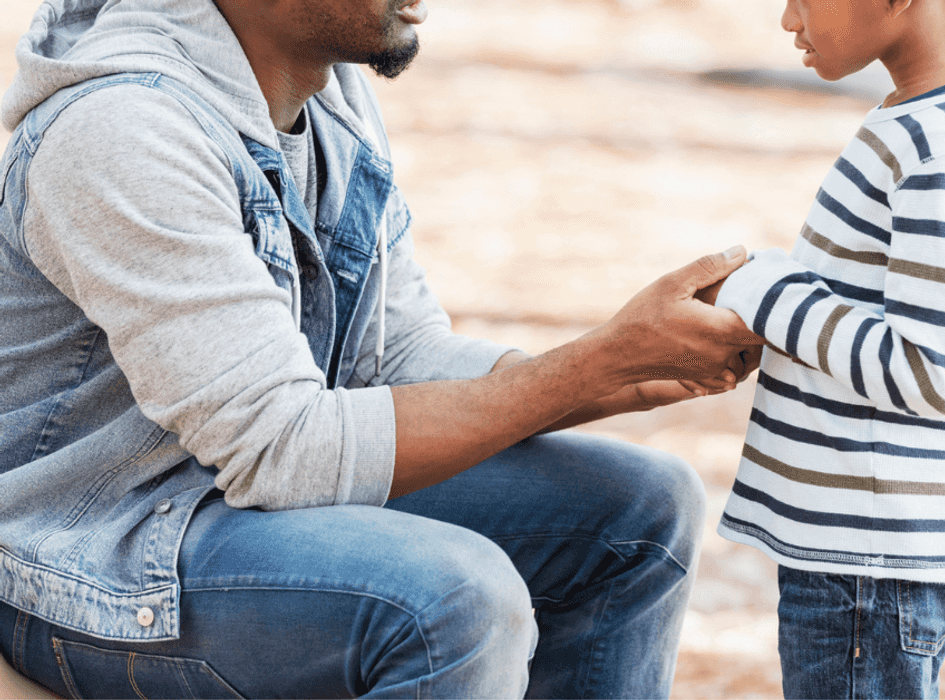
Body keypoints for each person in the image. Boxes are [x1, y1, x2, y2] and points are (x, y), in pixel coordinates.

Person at [0, 0, 766, 697]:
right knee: (450, 599)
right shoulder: (125, 130)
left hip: (225, 499)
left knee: (637, 509)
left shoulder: (328, 97)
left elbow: (393, 356)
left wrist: (623, 371)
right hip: (94, 557)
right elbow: (283, 451)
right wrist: (592, 366)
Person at [696, 0, 945, 697]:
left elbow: (931, 371)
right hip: (857, 556)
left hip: (867, 565)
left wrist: (764, 291)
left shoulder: (939, 151)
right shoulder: (918, 122)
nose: (787, 20)